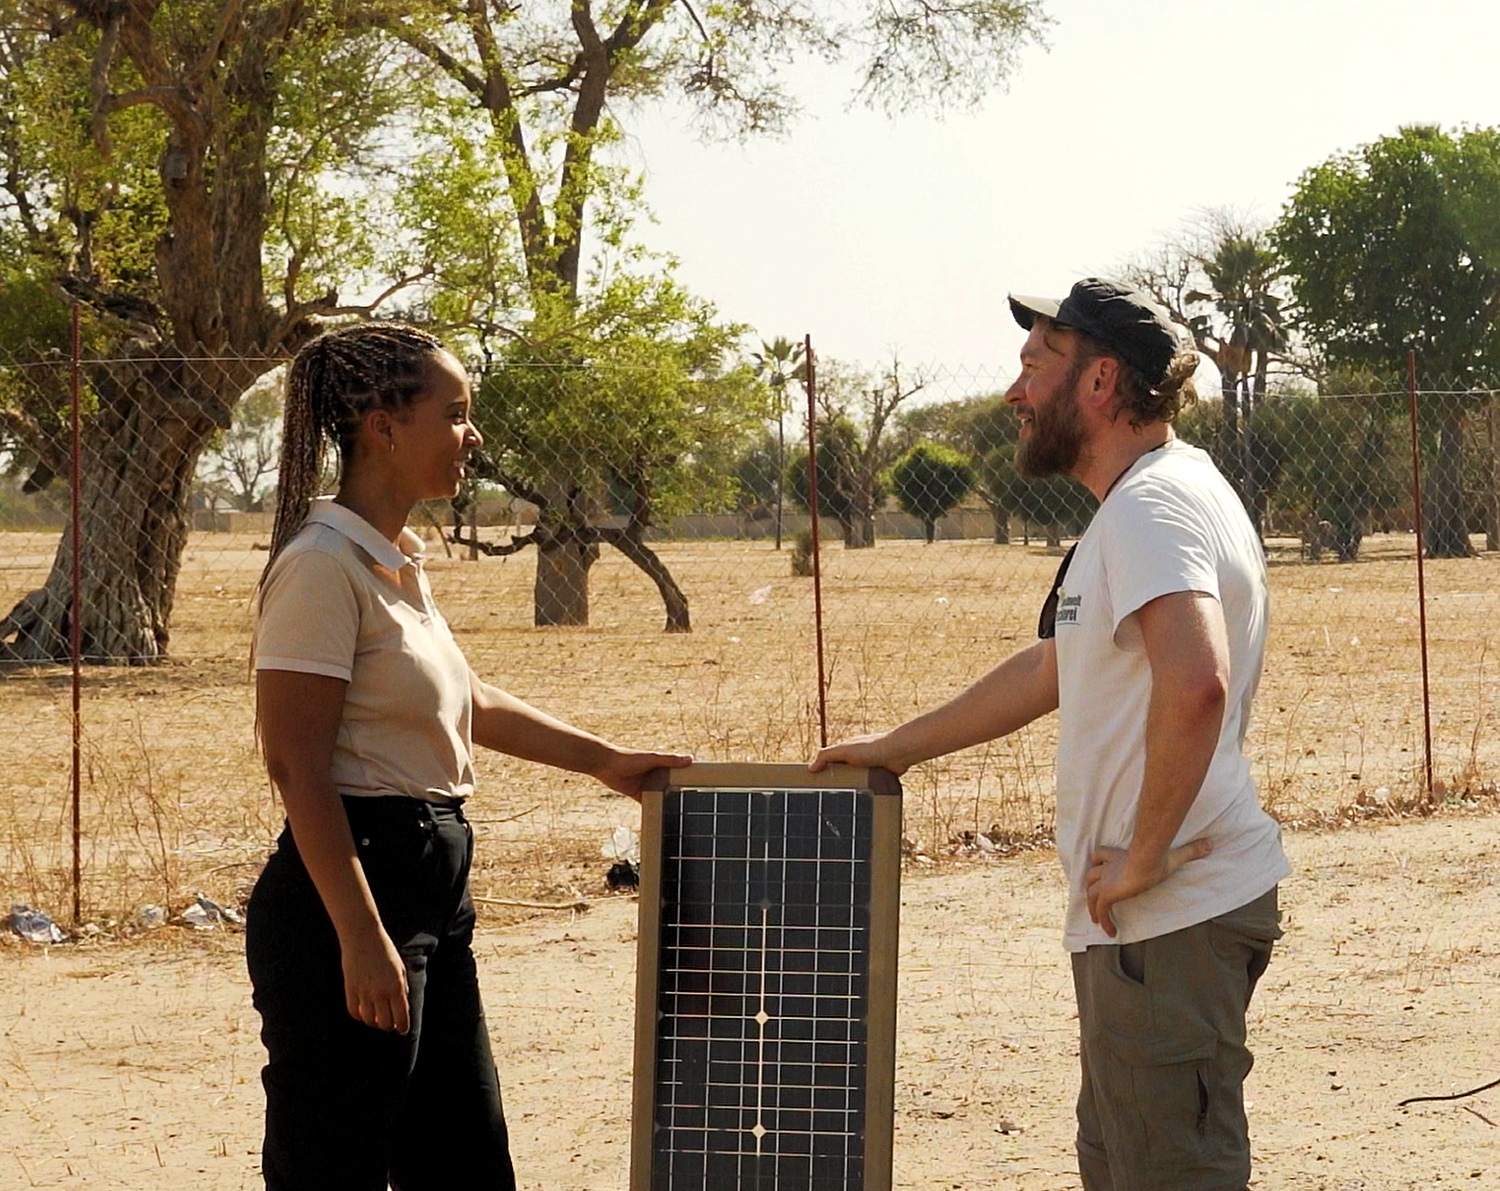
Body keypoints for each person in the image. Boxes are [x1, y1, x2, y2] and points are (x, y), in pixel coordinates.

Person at [813, 278, 1290, 1191]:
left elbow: (1197, 686)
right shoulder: (1146, 504)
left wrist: (1146, 853)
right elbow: (1051, 669)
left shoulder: (1151, 508)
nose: (1014, 391)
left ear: (1101, 380)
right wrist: (896, 746)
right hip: (1151, 925)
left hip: (1170, 915)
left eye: (1036, 364)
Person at [245, 322, 689, 1191]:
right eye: (454, 415)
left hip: (432, 885)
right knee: (335, 1163)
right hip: (357, 884)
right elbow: (295, 763)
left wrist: (606, 760)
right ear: (383, 426)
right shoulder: (321, 566)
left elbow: (470, 700)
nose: (472, 437)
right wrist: (362, 935)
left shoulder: (397, 564)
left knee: (465, 1161)